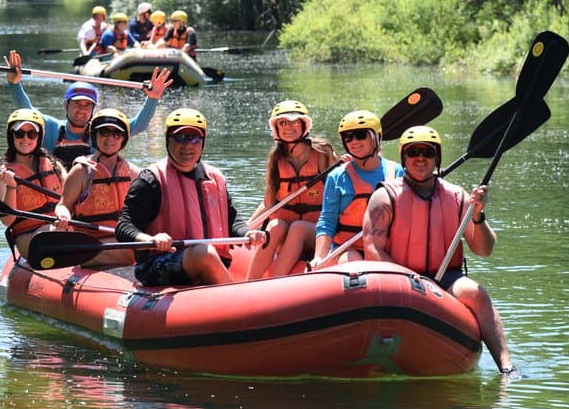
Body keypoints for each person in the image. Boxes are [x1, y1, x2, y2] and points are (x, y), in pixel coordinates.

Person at [362, 126, 515, 376]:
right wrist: (411, 282)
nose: (420, 158)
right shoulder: (384, 196)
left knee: (478, 294)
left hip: (446, 279)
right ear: (404, 158)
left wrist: (478, 215)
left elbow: (484, 249)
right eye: (413, 152)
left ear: (437, 158)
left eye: (427, 152)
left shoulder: (457, 196)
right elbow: (373, 251)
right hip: (398, 279)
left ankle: (507, 367)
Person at [115, 108, 267, 285]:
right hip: (159, 263)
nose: (187, 145)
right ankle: (240, 304)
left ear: (202, 142)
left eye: (194, 138)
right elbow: (124, 226)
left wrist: (248, 232)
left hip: (210, 259)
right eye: (180, 138)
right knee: (204, 253)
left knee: (206, 253)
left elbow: (231, 218)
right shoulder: (150, 180)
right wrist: (150, 239)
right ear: (167, 140)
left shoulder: (215, 178)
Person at [4, 49, 173, 168]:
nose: (82, 110)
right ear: (66, 105)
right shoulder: (50, 128)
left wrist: (153, 98)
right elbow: (25, 110)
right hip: (56, 194)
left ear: (93, 109)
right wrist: (14, 84)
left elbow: (138, 125)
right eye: (77, 104)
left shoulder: (101, 133)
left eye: (87, 106)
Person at [246, 100, 337, 279]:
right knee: (274, 226)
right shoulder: (276, 158)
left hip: (316, 233)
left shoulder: (322, 154)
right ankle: (247, 285)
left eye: (294, 122)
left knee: (298, 227)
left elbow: (344, 187)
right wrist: (246, 228)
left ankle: (276, 285)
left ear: (303, 125)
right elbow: (268, 204)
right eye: (283, 123)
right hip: (287, 233)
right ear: (276, 128)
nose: (289, 127)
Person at [312, 110, 400, 266]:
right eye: (348, 137)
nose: (353, 141)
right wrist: (319, 257)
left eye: (360, 135)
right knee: (350, 261)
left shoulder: (396, 173)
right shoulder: (337, 176)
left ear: (376, 137)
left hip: (385, 249)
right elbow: (327, 222)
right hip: (346, 248)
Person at [53, 108, 139, 268]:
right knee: (132, 252)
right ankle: (74, 257)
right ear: (95, 135)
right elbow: (64, 205)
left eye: (116, 134)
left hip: (121, 238)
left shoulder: (133, 173)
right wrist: (63, 215)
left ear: (123, 139)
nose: (110, 139)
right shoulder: (82, 171)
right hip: (88, 241)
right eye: (104, 132)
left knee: (141, 247)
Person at [0, 109, 66, 260]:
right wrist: (11, 187)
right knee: (48, 234)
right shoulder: (2, 176)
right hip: (28, 236)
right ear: (11, 136)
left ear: (39, 137)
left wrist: (65, 215)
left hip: (60, 228)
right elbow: (7, 221)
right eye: (20, 133)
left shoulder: (54, 165)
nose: (25, 138)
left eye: (31, 134)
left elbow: (71, 199)